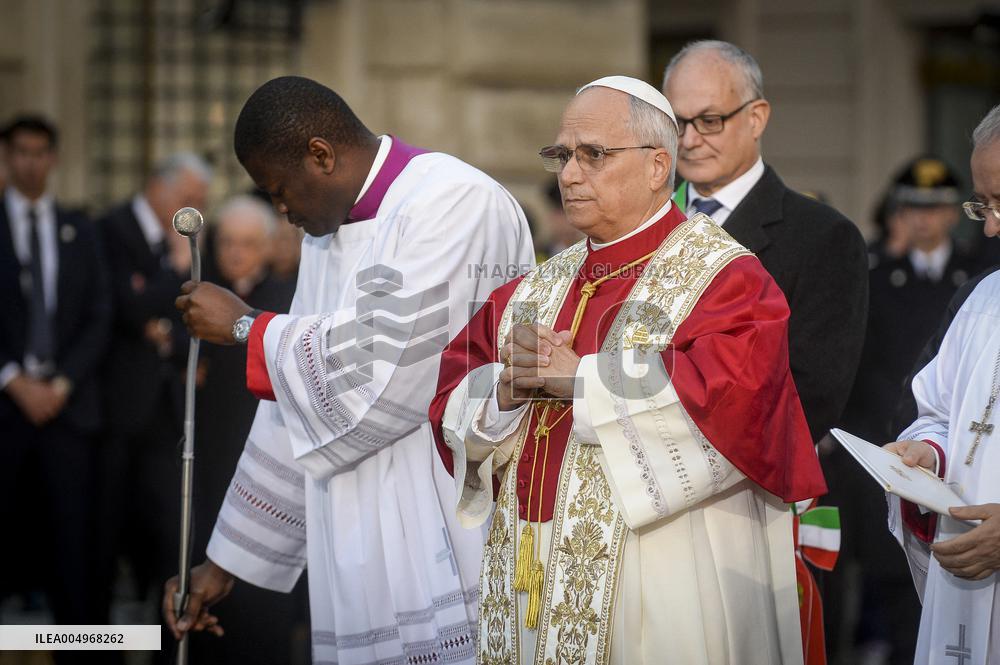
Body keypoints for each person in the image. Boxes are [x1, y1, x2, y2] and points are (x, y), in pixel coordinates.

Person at [430, 75, 825, 665]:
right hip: (528, 564)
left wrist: (584, 380)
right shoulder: (532, 288)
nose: (568, 174)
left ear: (657, 166)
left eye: (593, 155)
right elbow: (451, 395)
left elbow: (735, 401)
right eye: (561, 155)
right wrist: (503, 393)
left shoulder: (725, 279)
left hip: (664, 565)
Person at [167, 76, 534, 665]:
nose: (281, 212)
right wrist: (224, 563)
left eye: (280, 190)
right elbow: (298, 404)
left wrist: (246, 328)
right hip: (355, 534)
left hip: (445, 517)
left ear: (321, 154)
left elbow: (389, 374)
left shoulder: (455, 201)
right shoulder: (325, 235)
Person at [662, 40, 868, 662]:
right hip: (647, 501)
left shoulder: (822, 236)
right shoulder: (644, 227)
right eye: (676, 123)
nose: (690, 139)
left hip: (760, 506)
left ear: (756, 118)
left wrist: (667, 451)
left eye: (710, 119)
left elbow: (814, 393)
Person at [884, 102, 1000, 665]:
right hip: (967, 581)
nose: (993, 225)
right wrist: (926, 454)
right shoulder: (982, 300)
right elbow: (940, 413)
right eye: (985, 204)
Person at [0, 116, 111, 631]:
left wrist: (60, 384)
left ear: (54, 158)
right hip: (6, 406)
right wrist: (13, 381)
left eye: (40, 151)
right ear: (7, 156)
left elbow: (99, 314)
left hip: (67, 409)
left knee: (73, 543)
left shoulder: (80, 229)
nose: (30, 161)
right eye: (21, 151)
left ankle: (79, 649)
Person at [95, 152, 212, 632]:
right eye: (188, 200)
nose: (195, 211)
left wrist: (162, 325)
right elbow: (119, 305)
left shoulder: (187, 240)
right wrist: (171, 274)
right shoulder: (108, 230)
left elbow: (198, 309)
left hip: (168, 415)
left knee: (169, 537)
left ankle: (169, 638)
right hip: (114, 415)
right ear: (159, 189)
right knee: (104, 539)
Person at [190, 195, 303, 664]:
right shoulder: (200, 295)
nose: (236, 253)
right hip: (210, 451)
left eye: (247, 243)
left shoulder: (288, 298)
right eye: (228, 242)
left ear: (268, 245)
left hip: (266, 453)